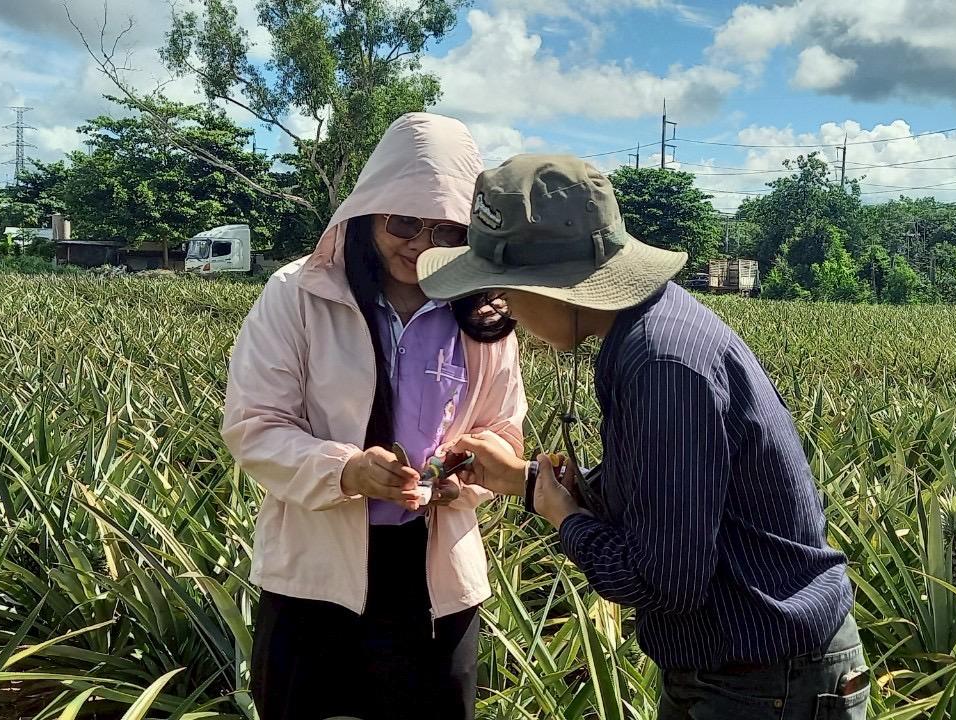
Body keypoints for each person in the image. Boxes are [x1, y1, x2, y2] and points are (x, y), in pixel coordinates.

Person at [419, 154, 868, 719]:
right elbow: (661, 500)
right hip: (747, 669)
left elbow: (663, 581)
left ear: (555, 287)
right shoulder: (647, 330)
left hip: (766, 680)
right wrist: (527, 480)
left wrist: (565, 518)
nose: (507, 310)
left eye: (506, 291)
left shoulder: (659, 363)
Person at [221, 113, 526, 720]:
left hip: (436, 574)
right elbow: (254, 423)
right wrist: (347, 470)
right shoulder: (297, 293)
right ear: (368, 213)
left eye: (446, 229)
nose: (420, 243)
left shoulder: (483, 314)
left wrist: (466, 477)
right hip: (315, 572)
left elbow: (502, 427)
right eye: (403, 222)